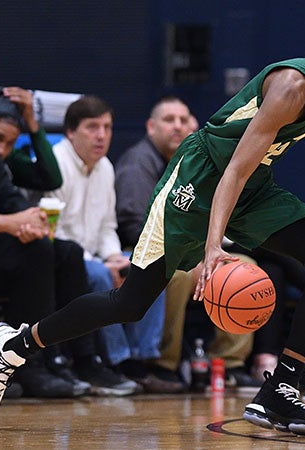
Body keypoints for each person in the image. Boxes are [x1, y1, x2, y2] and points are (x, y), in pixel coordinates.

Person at [0, 20, 305, 436]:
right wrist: (213, 248)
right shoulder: (291, 86)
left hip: (251, 185)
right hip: (198, 180)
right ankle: (14, 345)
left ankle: (281, 389)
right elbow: (230, 171)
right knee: (130, 303)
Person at [0, 86, 138, 397]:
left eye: (107, 127)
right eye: (93, 127)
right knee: (80, 264)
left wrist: (112, 255)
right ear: (69, 132)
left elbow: (108, 225)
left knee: (143, 266)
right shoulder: (52, 158)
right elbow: (52, 187)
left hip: (74, 250)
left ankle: (142, 361)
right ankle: (97, 360)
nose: (101, 135)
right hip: (0, 247)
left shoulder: (104, 167)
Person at [115, 96, 258, 390]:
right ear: (151, 127)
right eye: (169, 120)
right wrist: (189, 255)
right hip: (142, 251)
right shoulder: (138, 162)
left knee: (246, 269)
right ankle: (161, 362)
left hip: (189, 250)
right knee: (176, 275)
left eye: (183, 120)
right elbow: (135, 227)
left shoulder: (191, 159)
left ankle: (228, 363)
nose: (177, 127)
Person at [0, 73, 80, 399]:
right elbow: (1, 216)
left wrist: (30, 220)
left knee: (40, 247)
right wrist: (4, 221)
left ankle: (25, 361)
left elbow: (7, 195)